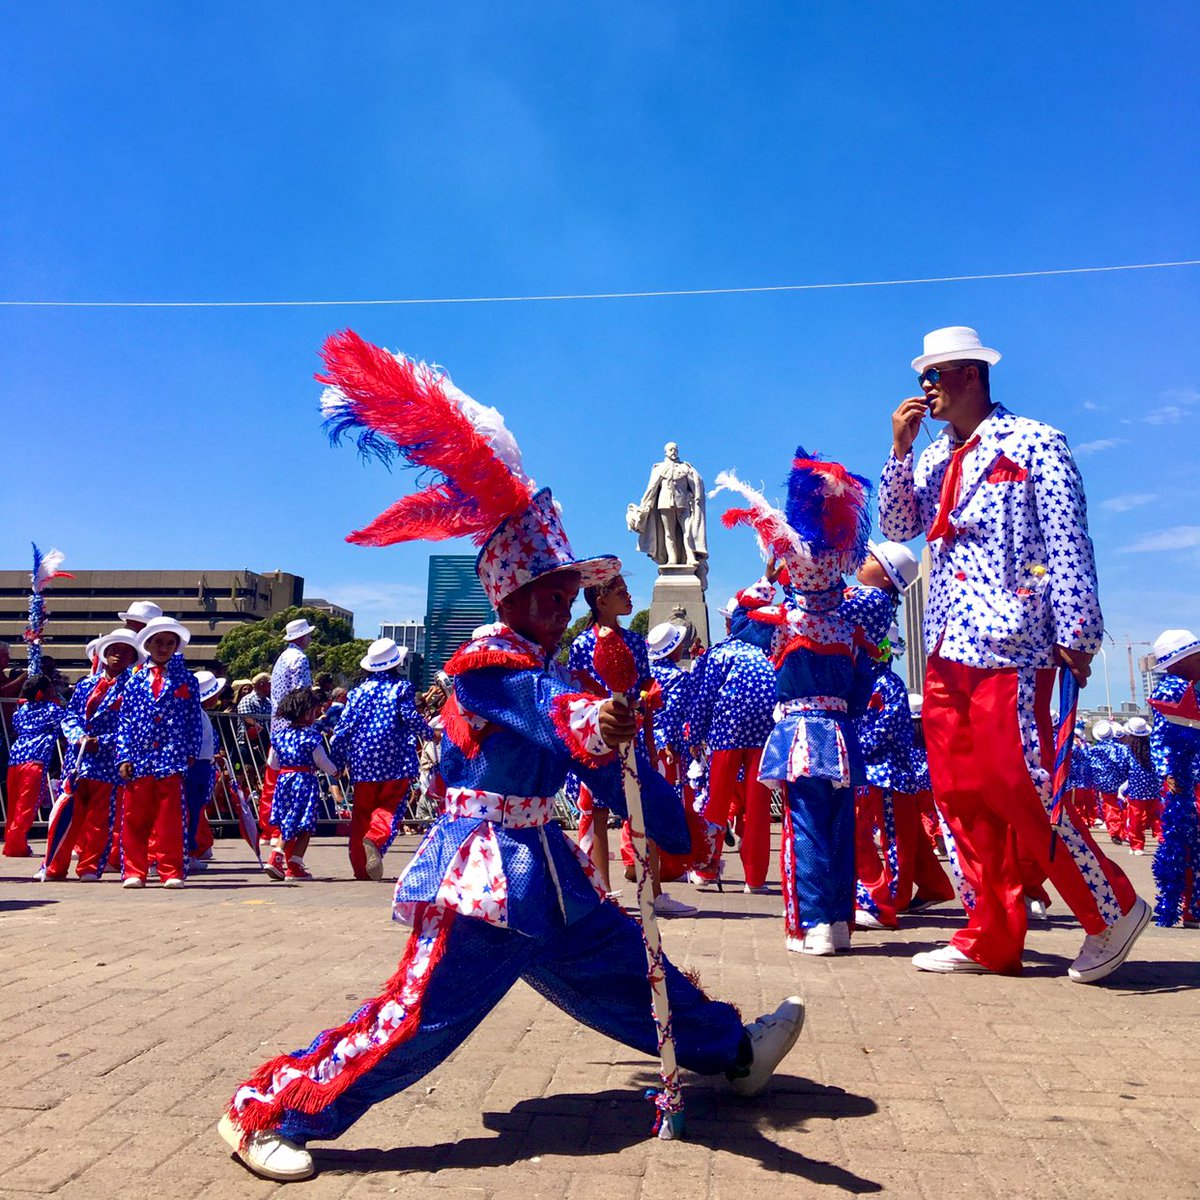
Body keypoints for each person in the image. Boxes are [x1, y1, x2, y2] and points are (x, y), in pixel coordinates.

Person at [218, 332, 803, 1182]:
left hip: (548, 875)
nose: (566, 604)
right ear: (519, 595)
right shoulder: (488, 664)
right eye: (557, 593)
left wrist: (676, 823)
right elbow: (558, 721)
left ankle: (733, 1053)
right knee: (422, 1016)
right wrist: (599, 722)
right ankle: (271, 1110)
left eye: (570, 593)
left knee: (630, 972)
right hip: (485, 876)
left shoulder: (547, 664)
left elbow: (598, 757)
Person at [882, 324, 1148, 980]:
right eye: (922, 380)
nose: (926, 390)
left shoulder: (1035, 441)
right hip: (946, 642)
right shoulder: (934, 456)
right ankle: (988, 934)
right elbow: (896, 527)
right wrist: (899, 451)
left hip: (1012, 637)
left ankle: (1111, 907)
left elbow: (1065, 539)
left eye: (935, 378)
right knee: (958, 792)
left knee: (1020, 783)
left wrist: (1077, 632)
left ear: (970, 374)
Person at [711, 454, 875, 956]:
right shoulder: (852, 624)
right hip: (842, 732)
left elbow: (740, 617)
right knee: (840, 825)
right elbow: (863, 684)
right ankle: (841, 922)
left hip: (800, 730)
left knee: (804, 826)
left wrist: (765, 577)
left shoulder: (783, 618)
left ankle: (811, 926)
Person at [569, 576, 696, 916]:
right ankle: (603, 893)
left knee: (644, 809)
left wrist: (649, 693)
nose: (628, 595)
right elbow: (577, 690)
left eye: (626, 589)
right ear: (600, 599)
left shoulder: (636, 642)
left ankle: (653, 891)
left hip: (633, 734)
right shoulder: (583, 643)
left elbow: (645, 682)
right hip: (596, 735)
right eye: (620, 591)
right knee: (595, 811)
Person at [685, 588, 778, 893]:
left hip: (727, 734)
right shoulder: (773, 652)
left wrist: (695, 735)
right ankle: (755, 878)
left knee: (717, 802)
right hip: (764, 736)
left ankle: (706, 868)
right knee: (758, 807)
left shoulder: (722, 652)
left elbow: (704, 698)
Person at [329, 638, 433, 881]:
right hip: (395, 759)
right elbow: (409, 716)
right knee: (390, 805)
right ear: (396, 663)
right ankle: (375, 838)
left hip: (362, 761)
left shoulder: (356, 693)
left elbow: (343, 729)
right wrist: (430, 733)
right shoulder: (401, 688)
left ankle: (361, 868)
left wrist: (337, 760)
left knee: (361, 813)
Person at [46, 630, 142, 880]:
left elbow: (130, 724)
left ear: (133, 657)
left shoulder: (133, 687)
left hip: (107, 761)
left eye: (125, 651)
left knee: (101, 819)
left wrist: (102, 742)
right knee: (67, 814)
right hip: (78, 760)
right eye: (114, 649)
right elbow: (71, 716)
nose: (118, 655)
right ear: (105, 653)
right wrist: (78, 737)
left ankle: (89, 867)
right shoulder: (86, 684)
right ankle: (54, 866)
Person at [116, 615, 201, 889]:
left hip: (171, 756)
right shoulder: (133, 680)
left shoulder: (186, 680)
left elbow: (193, 720)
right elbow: (125, 721)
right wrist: (124, 755)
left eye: (169, 643)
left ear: (176, 646)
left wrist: (191, 751)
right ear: (148, 644)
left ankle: (170, 870)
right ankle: (134, 871)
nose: (163, 647)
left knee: (170, 818)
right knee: (134, 817)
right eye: (157, 642)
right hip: (139, 756)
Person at [1147, 629, 1200, 927]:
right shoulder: (1170, 690)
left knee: (1193, 842)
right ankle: (1173, 906)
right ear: (1180, 661)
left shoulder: (1196, 687)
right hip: (1182, 777)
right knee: (1179, 842)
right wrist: (1166, 770)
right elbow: (1160, 736)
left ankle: (1193, 905)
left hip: (1194, 773)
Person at [257, 621, 315, 869]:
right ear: (304, 637)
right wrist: (307, 717)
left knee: (275, 783)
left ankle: (271, 832)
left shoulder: (281, 658)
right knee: (298, 798)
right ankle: (289, 851)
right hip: (295, 726)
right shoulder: (299, 659)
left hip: (278, 727)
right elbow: (301, 692)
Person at [266, 687, 339, 881]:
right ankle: (287, 860)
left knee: (287, 819)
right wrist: (335, 772)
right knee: (305, 824)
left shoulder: (279, 736)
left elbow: (272, 763)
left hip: (284, 780)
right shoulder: (311, 737)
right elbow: (321, 760)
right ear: (307, 713)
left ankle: (286, 860)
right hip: (304, 781)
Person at [2, 673, 62, 857]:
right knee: (26, 807)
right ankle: (15, 845)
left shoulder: (20, 711)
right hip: (34, 762)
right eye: (50, 686)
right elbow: (65, 724)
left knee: (14, 805)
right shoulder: (52, 710)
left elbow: (17, 727)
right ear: (42, 692)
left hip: (15, 760)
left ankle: (12, 842)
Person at [185, 670, 226, 869]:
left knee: (194, 810)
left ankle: (190, 851)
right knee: (190, 810)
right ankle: (187, 852)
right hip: (195, 766)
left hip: (202, 765)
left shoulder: (199, 714)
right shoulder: (194, 714)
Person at [1120, 717, 1161, 857]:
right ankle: (1163, 839)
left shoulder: (1127, 751)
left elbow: (1123, 768)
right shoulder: (1153, 749)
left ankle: (1137, 845)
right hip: (1154, 788)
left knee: (1136, 819)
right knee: (1155, 816)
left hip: (1136, 789)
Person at [1088, 721, 1132, 844]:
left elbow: (1090, 767)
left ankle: (1115, 831)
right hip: (1121, 782)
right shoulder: (1122, 749)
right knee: (1123, 807)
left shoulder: (1093, 750)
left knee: (1110, 807)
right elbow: (1129, 764)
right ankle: (1124, 832)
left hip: (1103, 783)